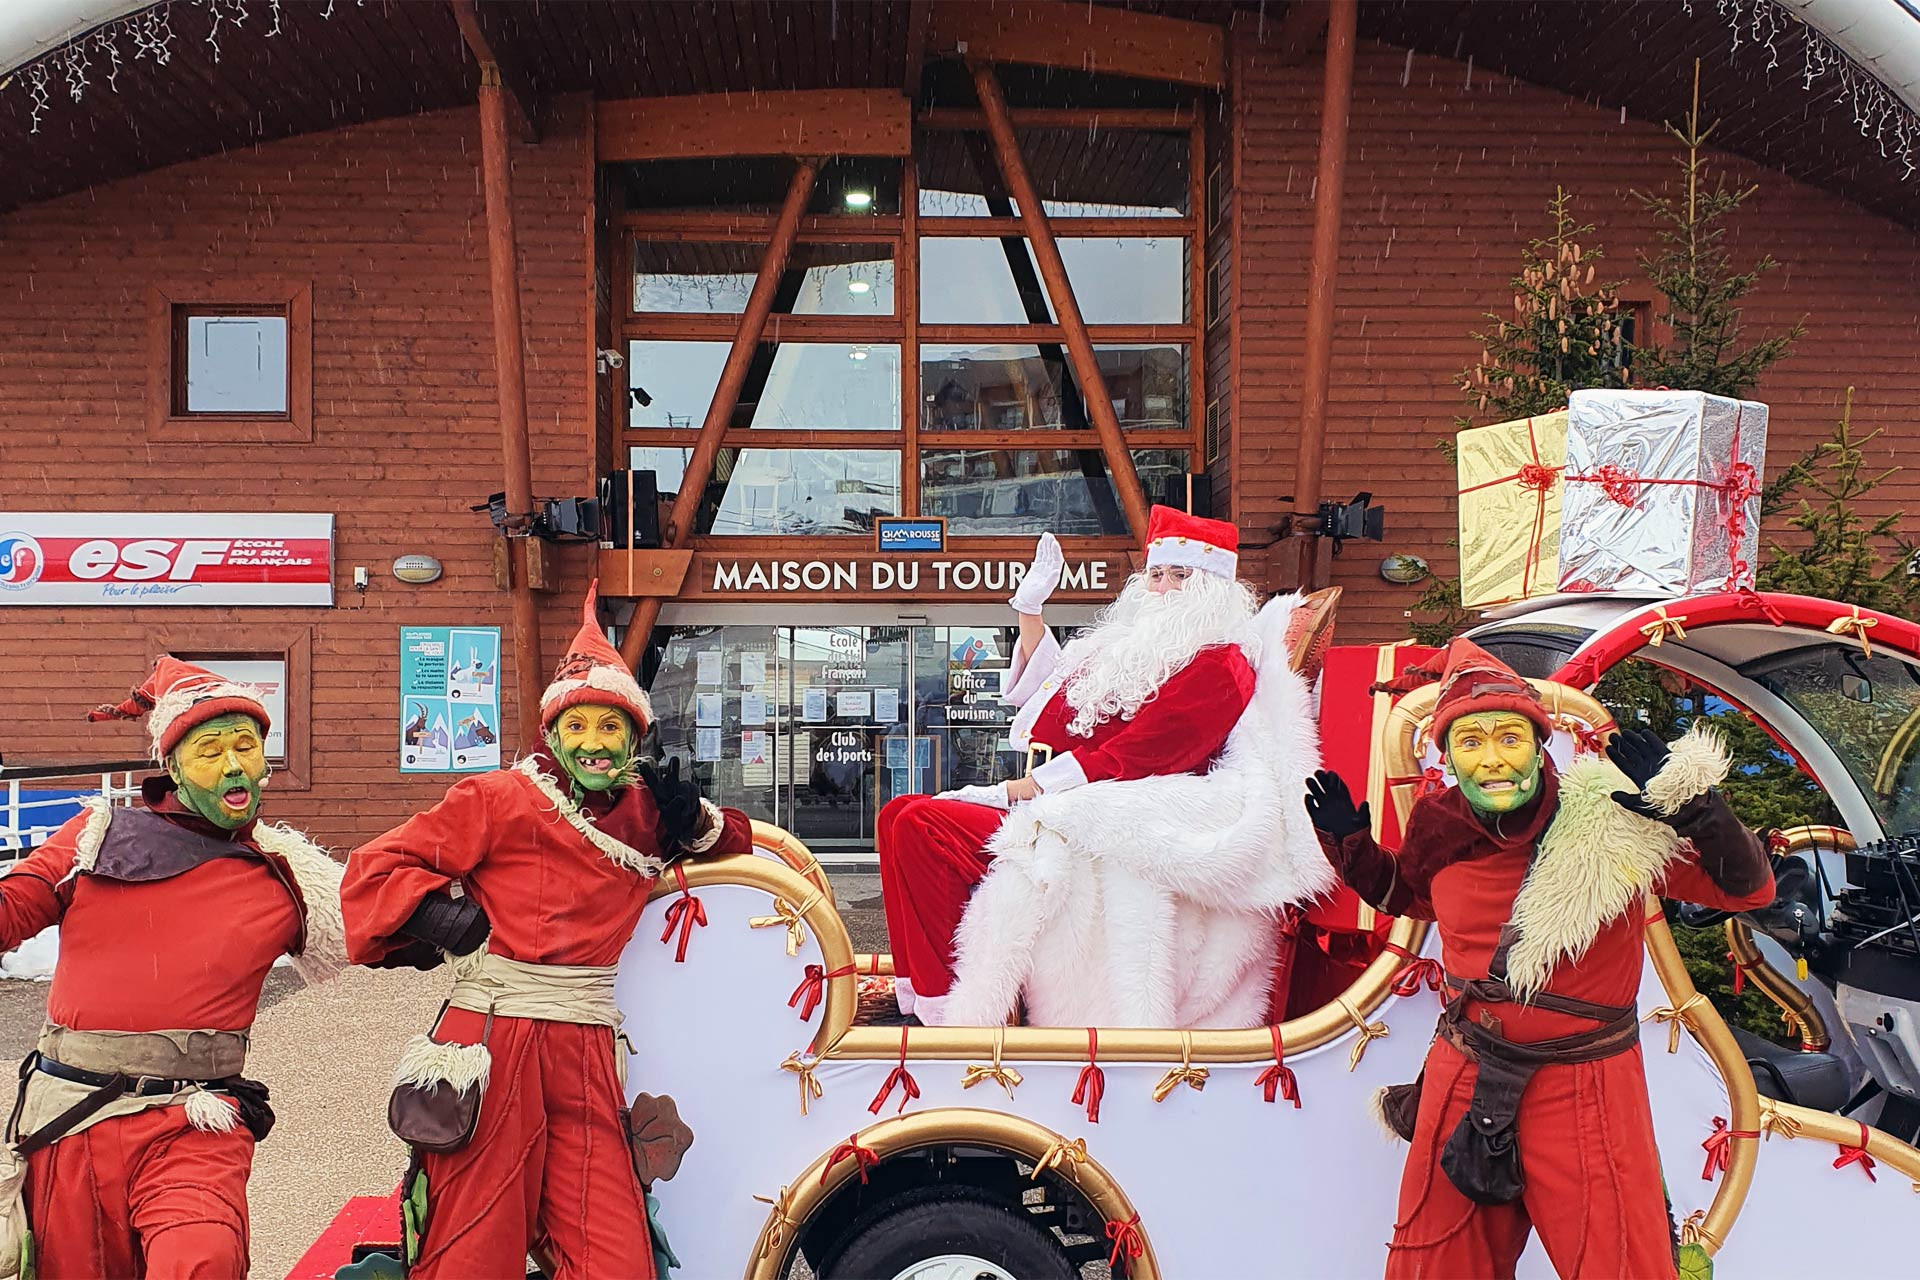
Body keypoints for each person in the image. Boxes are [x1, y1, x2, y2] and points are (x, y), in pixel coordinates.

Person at [1304, 639, 1775, 1280]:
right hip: (1466, 1069)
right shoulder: (1440, 824)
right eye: (1470, 742)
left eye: (1508, 738)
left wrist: (1696, 810)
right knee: (1437, 1261)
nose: (1492, 759)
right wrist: (1351, 845)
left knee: (1620, 1262)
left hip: (1586, 1085)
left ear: (1538, 744)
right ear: (1447, 756)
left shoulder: (1614, 818)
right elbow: (1409, 897)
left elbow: (1747, 890)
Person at [340, 583, 752, 1280]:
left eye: (610, 727)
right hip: (496, 1040)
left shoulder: (650, 811)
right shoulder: (500, 798)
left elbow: (738, 841)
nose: (593, 744)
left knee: (615, 1256)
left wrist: (698, 820)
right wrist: (445, 919)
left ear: (635, 735)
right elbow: (373, 870)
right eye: (578, 727)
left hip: (586, 1048)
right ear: (552, 733)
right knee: (474, 1245)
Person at [878, 506, 1334, 1027]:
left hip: (1098, 811)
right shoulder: (1141, 649)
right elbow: (1059, 691)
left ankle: (947, 1014)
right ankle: (918, 994)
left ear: (1213, 586)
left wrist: (1017, 790)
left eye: (1179, 575)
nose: (1162, 588)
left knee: (922, 825)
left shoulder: (1220, 661)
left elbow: (1144, 753)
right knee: (896, 815)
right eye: (1157, 573)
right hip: (1059, 797)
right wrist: (1029, 611)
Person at [0, 657, 348, 1278]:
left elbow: (384, 923)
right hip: (69, 1120)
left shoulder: (292, 873)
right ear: (174, 768)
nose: (234, 763)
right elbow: (13, 906)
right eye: (210, 750)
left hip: (193, 1122)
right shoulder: (97, 834)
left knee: (202, 1261)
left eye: (247, 745)